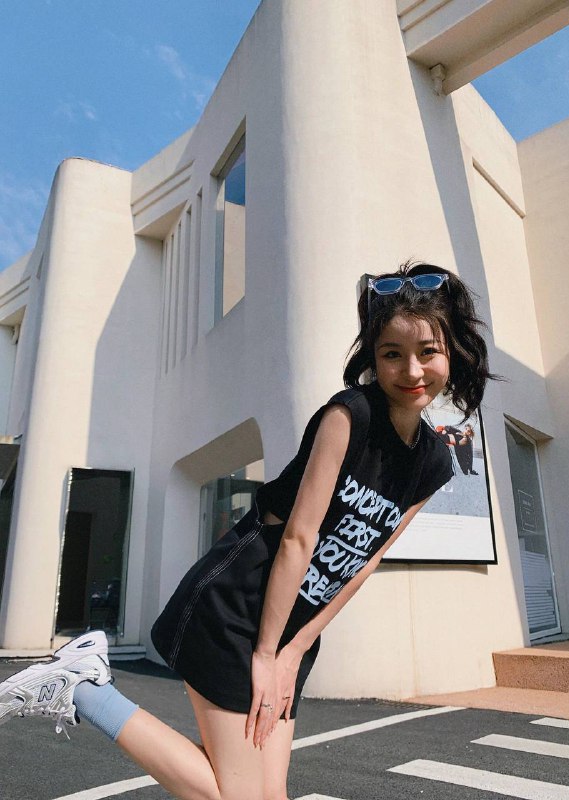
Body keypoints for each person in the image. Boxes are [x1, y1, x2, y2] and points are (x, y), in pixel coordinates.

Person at [0, 262, 495, 800]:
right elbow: (299, 539)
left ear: (453, 353)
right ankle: (85, 689)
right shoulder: (350, 416)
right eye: (392, 353)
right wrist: (265, 653)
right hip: (238, 606)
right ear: (373, 359)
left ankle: (86, 684)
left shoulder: (433, 463)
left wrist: (293, 651)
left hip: (293, 626)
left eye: (428, 351)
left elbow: (366, 559)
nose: (411, 369)